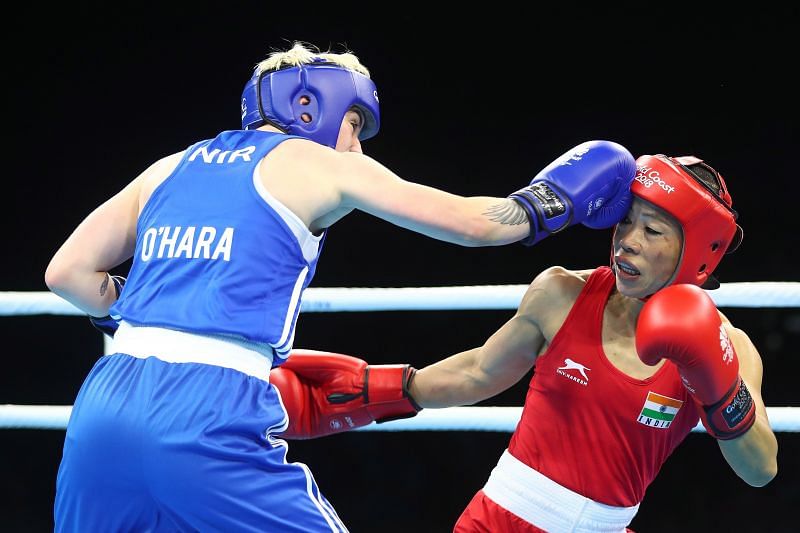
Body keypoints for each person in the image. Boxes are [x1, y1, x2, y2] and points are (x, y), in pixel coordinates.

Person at [43, 40, 637, 532]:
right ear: (310, 107)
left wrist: (149, 311)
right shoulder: (320, 163)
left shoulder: (169, 166)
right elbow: (481, 225)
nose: (356, 144)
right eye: (354, 124)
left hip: (103, 405)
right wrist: (553, 199)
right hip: (207, 410)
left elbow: (66, 274)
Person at [270, 153, 778, 532]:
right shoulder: (562, 293)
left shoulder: (729, 347)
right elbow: (479, 372)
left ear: (695, 253)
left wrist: (717, 388)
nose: (627, 241)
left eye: (652, 230)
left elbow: (761, 470)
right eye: (625, 222)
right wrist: (371, 391)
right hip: (500, 519)